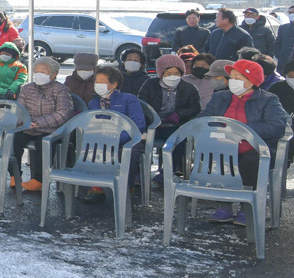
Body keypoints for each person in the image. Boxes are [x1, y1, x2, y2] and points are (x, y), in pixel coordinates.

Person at [199, 58, 288, 224]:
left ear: (252, 81)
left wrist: (242, 130)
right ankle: (224, 205)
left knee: (251, 161)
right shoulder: (220, 97)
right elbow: (203, 119)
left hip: (254, 147)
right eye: (232, 77)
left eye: (238, 78)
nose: (233, 81)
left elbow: (276, 126)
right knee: (217, 157)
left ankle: (248, 207)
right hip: (223, 145)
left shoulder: (268, 100)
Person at [81, 62, 148, 202]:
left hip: (130, 139)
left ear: (114, 84)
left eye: (102, 81)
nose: (97, 84)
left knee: (128, 154)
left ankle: (126, 187)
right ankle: (97, 187)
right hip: (103, 140)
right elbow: (91, 125)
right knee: (93, 150)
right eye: (96, 81)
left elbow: (138, 124)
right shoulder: (93, 103)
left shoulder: (129, 99)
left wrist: (117, 138)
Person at [12, 55, 75, 192]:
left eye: (43, 71)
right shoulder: (27, 88)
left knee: (43, 143)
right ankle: (14, 175)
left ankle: (39, 179)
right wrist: (23, 122)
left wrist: (38, 123)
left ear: (53, 74)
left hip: (51, 129)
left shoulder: (61, 90)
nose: (39, 74)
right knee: (14, 139)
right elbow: (19, 109)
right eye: (36, 71)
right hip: (28, 127)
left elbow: (63, 113)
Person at [137, 54, 202, 178]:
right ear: (161, 73)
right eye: (169, 73)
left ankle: (165, 174)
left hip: (175, 126)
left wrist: (179, 115)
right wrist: (153, 118)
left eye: (176, 73)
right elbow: (142, 104)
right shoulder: (150, 85)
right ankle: (139, 174)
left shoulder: (189, 88)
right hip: (152, 126)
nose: (173, 76)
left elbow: (195, 108)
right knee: (139, 142)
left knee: (178, 142)